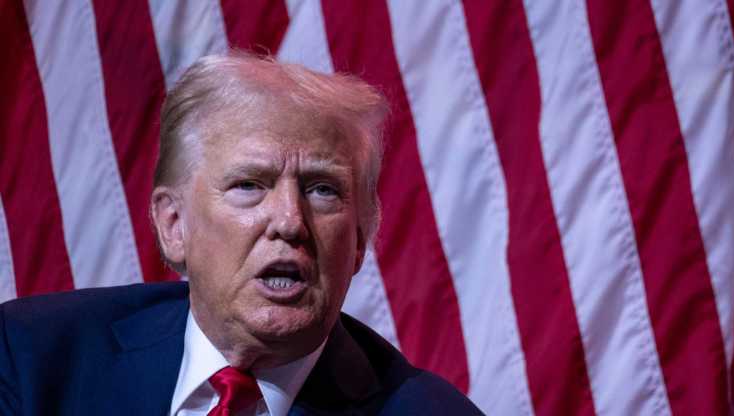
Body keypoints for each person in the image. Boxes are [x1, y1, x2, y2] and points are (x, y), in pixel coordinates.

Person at [0, 52, 483, 415]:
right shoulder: (35, 359)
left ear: (359, 239)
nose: (291, 222)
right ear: (173, 225)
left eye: (322, 190)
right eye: (250, 185)